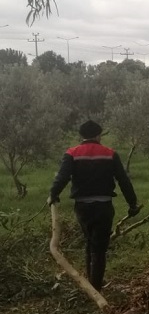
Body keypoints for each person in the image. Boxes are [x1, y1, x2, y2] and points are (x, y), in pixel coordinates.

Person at [48, 120, 140, 291]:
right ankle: (96, 287)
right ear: (98, 135)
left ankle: (91, 283)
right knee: (99, 247)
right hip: (104, 207)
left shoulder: (72, 153)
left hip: (82, 208)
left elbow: (62, 177)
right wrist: (132, 203)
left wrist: (53, 195)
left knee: (90, 242)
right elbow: (123, 180)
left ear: (81, 136)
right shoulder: (110, 153)